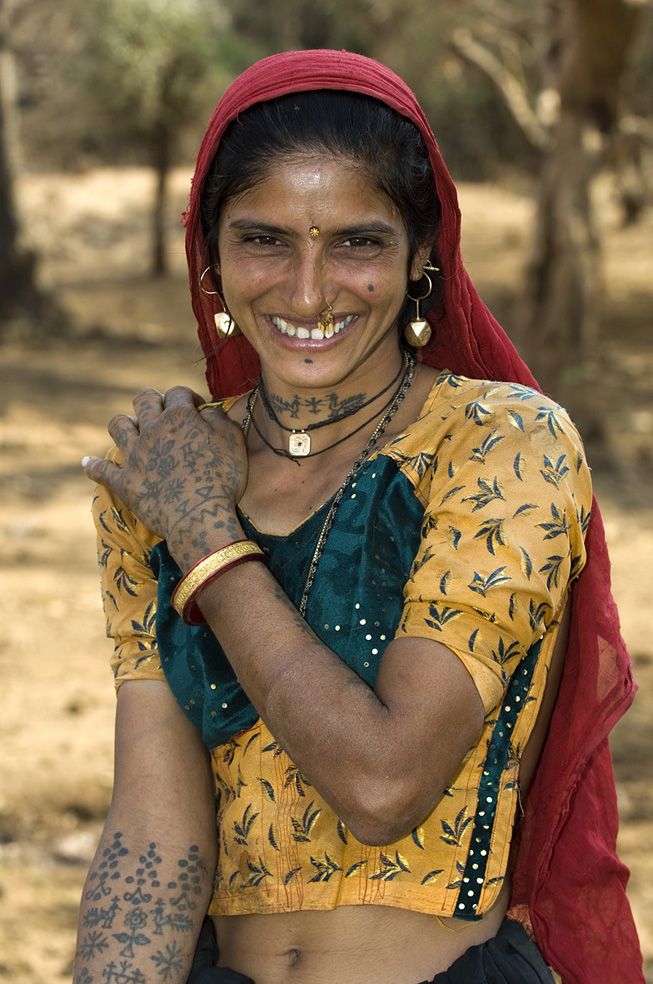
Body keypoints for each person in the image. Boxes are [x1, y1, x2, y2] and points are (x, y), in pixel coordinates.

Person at [75, 49, 643, 984]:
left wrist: (208, 540)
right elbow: (152, 834)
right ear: (209, 254)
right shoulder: (167, 471)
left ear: (422, 252)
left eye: (357, 242)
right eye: (263, 240)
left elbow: (383, 784)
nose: (307, 292)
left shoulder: (499, 445)